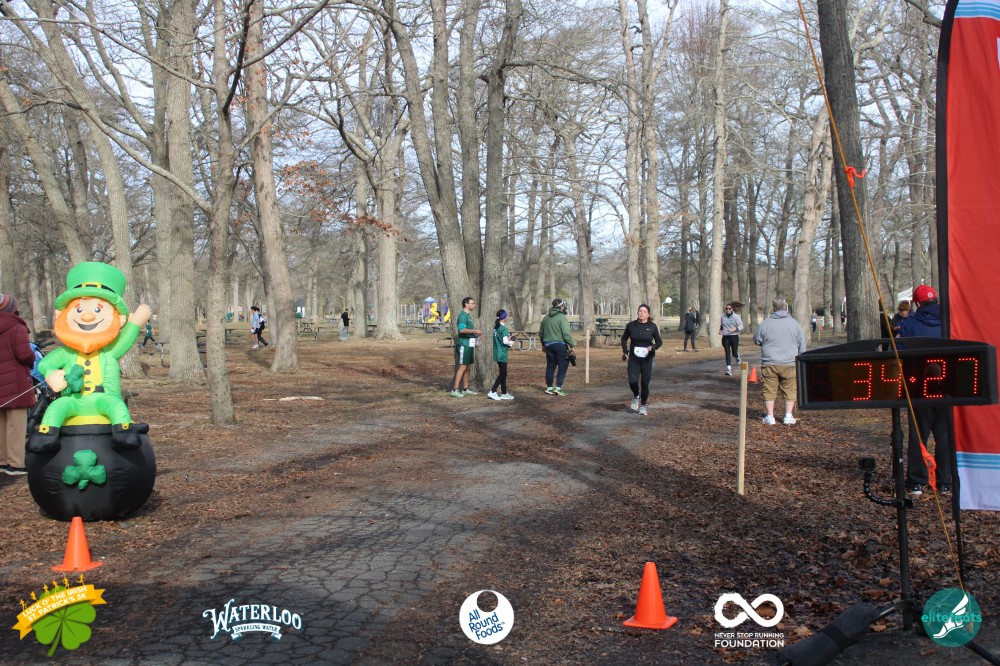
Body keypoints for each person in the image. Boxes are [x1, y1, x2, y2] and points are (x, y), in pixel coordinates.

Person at [897, 285, 950, 496]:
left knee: (919, 435)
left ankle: (917, 481)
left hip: (918, 387)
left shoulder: (909, 325)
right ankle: (945, 482)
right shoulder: (950, 322)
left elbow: (898, 352)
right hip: (947, 387)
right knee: (945, 435)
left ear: (917, 304)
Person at [753, 297, 807, 425]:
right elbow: (802, 343)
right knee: (790, 390)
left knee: (769, 390)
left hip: (769, 362)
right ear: (785, 308)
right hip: (789, 363)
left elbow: (756, 340)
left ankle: (770, 416)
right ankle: (788, 415)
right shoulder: (794, 324)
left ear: (773, 308)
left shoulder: (765, 323)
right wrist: (800, 357)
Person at [0, 294, 35, 475]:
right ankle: (15, 463)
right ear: (11, 307)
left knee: (2, 422)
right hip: (15, 381)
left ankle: (2, 460)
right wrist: (32, 358)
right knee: (16, 424)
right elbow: (24, 354)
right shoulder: (16, 326)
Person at [621, 304, 663, 416]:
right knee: (632, 381)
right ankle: (636, 396)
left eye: (644, 311)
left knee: (645, 383)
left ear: (648, 314)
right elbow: (624, 338)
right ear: (637, 312)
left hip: (647, 359)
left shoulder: (652, 326)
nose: (642, 313)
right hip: (633, 358)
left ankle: (643, 406)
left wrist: (653, 347)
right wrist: (625, 351)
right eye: (640, 311)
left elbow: (659, 341)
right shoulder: (631, 325)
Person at [539, 299, 575, 396]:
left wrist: (543, 344)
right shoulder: (562, 317)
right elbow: (566, 334)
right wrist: (572, 344)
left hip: (548, 345)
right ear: (561, 307)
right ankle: (558, 387)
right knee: (563, 365)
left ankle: (549, 387)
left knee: (550, 366)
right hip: (559, 345)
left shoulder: (546, 318)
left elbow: (541, 333)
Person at [450, 297, 481, 398]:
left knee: (468, 367)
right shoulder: (462, 316)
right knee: (463, 366)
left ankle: (465, 389)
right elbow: (462, 330)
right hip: (463, 344)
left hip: (469, 344)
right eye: (472, 303)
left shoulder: (468, 316)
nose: (474, 305)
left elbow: (468, 331)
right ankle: (454, 390)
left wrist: (476, 335)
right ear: (466, 304)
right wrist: (474, 330)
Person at [487, 310, 515, 401]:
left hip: (497, 352)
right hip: (502, 353)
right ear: (504, 317)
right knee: (503, 373)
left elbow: (501, 339)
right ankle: (493, 391)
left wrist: (508, 338)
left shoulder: (496, 328)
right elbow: (505, 342)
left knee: (503, 373)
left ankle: (504, 393)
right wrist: (512, 341)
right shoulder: (503, 329)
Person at [719, 301, 744, 375]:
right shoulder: (723, 317)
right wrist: (720, 330)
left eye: (729, 308)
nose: (728, 310)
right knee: (727, 352)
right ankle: (729, 369)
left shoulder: (736, 317)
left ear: (732, 309)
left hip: (734, 336)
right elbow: (722, 325)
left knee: (734, 352)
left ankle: (737, 356)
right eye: (726, 308)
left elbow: (741, 326)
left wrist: (735, 329)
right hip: (725, 337)